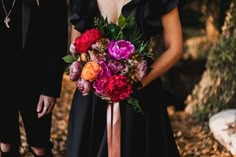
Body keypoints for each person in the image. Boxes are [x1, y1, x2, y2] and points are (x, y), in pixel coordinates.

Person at [66, 0, 183, 156]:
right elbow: (76, 48)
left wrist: (138, 82)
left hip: (142, 98)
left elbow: (175, 48)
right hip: (92, 101)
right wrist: (93, 76)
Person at [0, 0, 68, 156]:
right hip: (2, 81)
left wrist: (50, 88)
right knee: (5, 144)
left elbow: (58, 41)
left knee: (39, 147)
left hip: (35, 82)